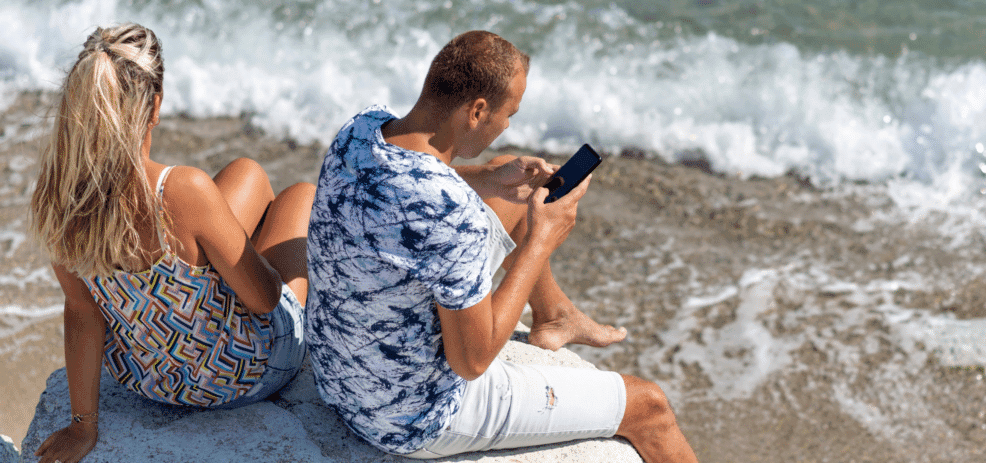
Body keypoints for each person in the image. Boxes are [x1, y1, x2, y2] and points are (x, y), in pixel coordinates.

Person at [306, 30, 698, 462]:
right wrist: (541, 240)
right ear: (477, 111)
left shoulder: (361, 130)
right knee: (649, 407)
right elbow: (472, 362)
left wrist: (487, 178)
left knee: (506, 195)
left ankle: (555, 317)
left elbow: (407, 185)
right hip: (413, 419)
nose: (507, 125)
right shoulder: (451, 214)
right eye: (509, 113)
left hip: (338, 380)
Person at [29, 23, 314, 463]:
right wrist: (249, 262)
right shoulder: (181, 189)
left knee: (247, 173)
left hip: (148, 380)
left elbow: (82, 312)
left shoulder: (59, 197)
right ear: (155, 104)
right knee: (300, 197)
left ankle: (207, 276)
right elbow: (263, 299)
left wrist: (82, 426)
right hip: (244, 375)